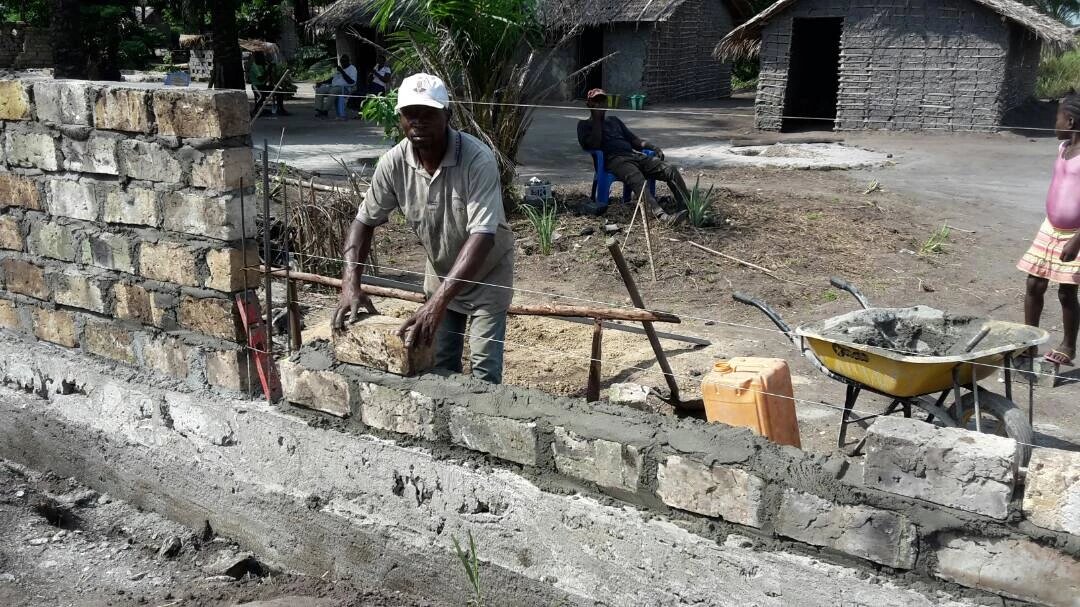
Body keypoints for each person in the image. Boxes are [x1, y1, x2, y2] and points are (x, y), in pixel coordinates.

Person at [332, 73, 515, 384]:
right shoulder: (393, 163)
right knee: (440, 361)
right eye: (409, 114)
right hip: (440, 269)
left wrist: (436, 304)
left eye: (428, 114)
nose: (417, 122)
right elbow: (363, 222)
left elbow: (483, 237)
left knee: (484, 369)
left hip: (488, 273)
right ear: (400, 118)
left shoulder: (476, 159)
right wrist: (351, 283)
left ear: (448, 115)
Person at [1018, 90, 1080, 366]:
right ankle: (1030, 343)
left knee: (1067, 291)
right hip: (1050, 228)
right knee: (1034, 283)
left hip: (1075, 234)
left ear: (1069, 121)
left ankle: (1068, 347)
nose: (1053, 124)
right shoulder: (1063, 148)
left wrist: (1077, 241)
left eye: (1056, 118)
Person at [577, 87, 688, 223]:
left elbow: (634, 140)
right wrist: (596, 119)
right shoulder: (584, 125)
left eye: (602, 101)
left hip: (632, 155)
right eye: (596, 102)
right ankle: (661, 216)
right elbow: (594, 144)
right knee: (636, 177)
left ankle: (687, 207)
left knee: (670, 169)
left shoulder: (614, 121)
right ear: (590, 105)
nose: (600, 104)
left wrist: (652, 147)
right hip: (614, 160)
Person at [314, 54, 357, 118]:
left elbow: (352, 82)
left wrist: (342, 72)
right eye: (341, 61)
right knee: (320, 90)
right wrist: (321, 82)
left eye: (344, 61)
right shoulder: (339, 68)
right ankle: (319, 110)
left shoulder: (352, 68)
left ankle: (325, 111)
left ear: (348, 61)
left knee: (333, 91)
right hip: (333, 86)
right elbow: (332, 79)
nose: (342, 63)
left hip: (345, 88)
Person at [246, 52, 269, 117]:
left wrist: (269, 69)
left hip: (263, 85)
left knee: (279, 92)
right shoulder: (254, 66)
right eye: (261, 57)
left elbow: (268, 77)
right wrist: (267, 71)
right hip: (256, 85)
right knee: (261, 96)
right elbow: (260, 78)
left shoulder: (264, 65)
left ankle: (280, 109)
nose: (263, 58)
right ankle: (255, 110)